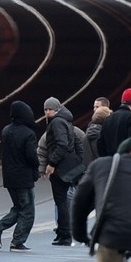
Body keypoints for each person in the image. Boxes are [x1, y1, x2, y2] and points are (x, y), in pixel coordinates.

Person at [0, 101, 40, 252]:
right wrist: (37, 167)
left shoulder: (6, 130)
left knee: (18, 207)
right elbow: (31, 156)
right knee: (28, 210)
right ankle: (17, 241)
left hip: (9, 176)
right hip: (23, 177)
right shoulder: (28, 133)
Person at [43, 97, 83, 246]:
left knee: (60, 201)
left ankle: (65, 234)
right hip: (68, 165)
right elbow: (77, 141)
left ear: (57, 109)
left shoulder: (57, 122)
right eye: (46, 110)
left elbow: (62, 144)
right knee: (63, 200)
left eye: (50, 109)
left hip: (60, 167)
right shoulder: (66, 120)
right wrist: (78, 159)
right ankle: (63, 233)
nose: (47, 112)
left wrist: (52, 163)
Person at [97, 88, 131, 158]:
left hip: (109, 161)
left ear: (122, 101)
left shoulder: (108, 118)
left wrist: (105, 158)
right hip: (124, 161)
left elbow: (100, 142)